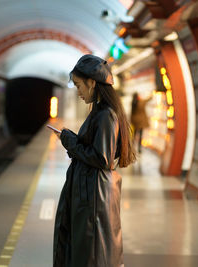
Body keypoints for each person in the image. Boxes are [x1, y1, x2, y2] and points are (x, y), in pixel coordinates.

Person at [52, 54, 136, 267]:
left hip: (94, 197)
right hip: (91, 192)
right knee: (86, 252)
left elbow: (102, 158)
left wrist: (70, 141)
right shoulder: (100, 112)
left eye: (79, 86)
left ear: (92, 82)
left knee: (92, 253)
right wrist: (71, 139)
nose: (79, 92)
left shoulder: (105, 115)